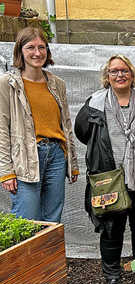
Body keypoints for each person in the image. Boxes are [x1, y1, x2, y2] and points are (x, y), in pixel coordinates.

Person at [75, 55, 135, 284]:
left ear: (132, 74)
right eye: (114, 71)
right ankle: (112, 275)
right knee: (111, 229)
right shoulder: (94, 104)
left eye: (124, 71)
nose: (120, 75)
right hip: (109, 179)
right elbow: (83, 132)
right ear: (107, 76)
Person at [0, 27, 79, 222]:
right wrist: (6, 171)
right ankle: (25, 255)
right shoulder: (7, 84)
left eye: (42, 47)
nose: (37, 53)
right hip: (25, 157)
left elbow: (66, 125)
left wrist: (73, 163)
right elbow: (1, 129)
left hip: (56, 157)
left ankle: (48, 254)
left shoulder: (57, 84)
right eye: (30, 47)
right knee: (27, 218)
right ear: (20, 51)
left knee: (52, 219)